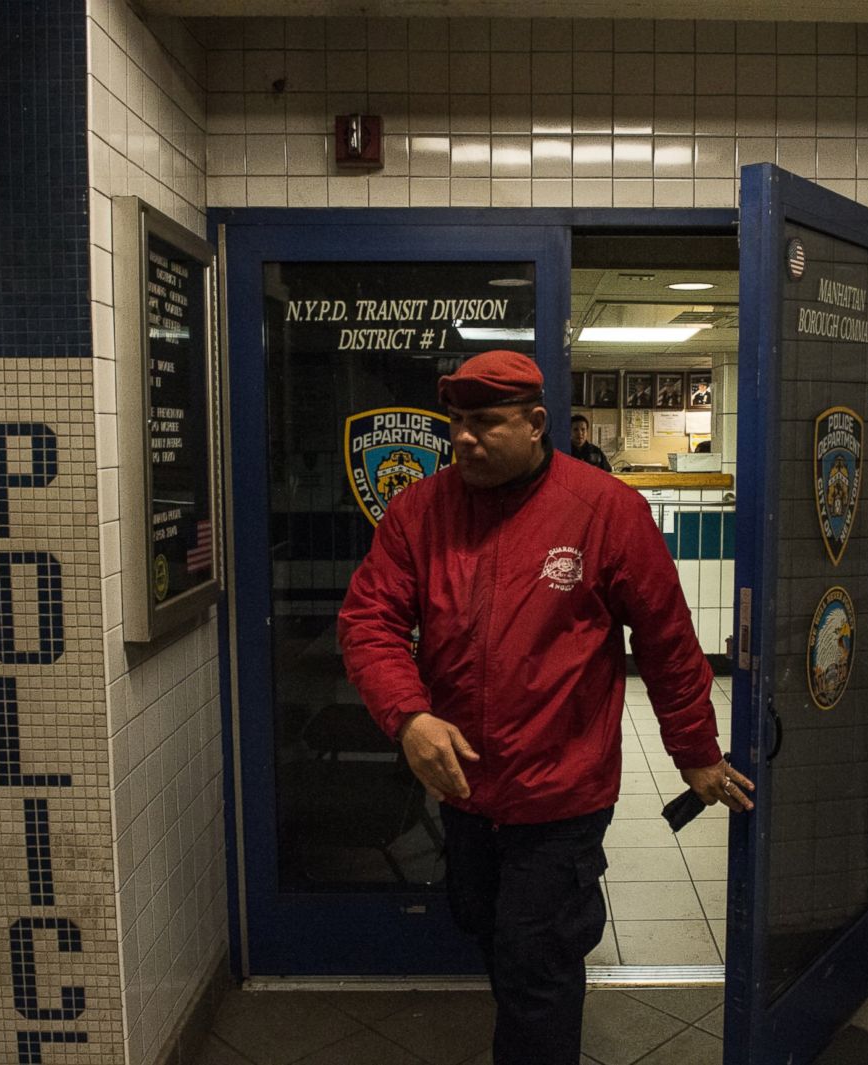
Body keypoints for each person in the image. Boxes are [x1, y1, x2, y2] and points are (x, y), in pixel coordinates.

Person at [337, 349, 752, 1065]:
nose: (464, 437)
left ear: (535, 423)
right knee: (485, 925)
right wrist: (408, 716)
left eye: (485, 422)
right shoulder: (419, 514)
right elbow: (368, 621)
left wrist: (697, 752)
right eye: (457, 421)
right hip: (464, 789)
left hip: (561, 793)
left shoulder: (605, 510)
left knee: (538, 966)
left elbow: (667, 639)